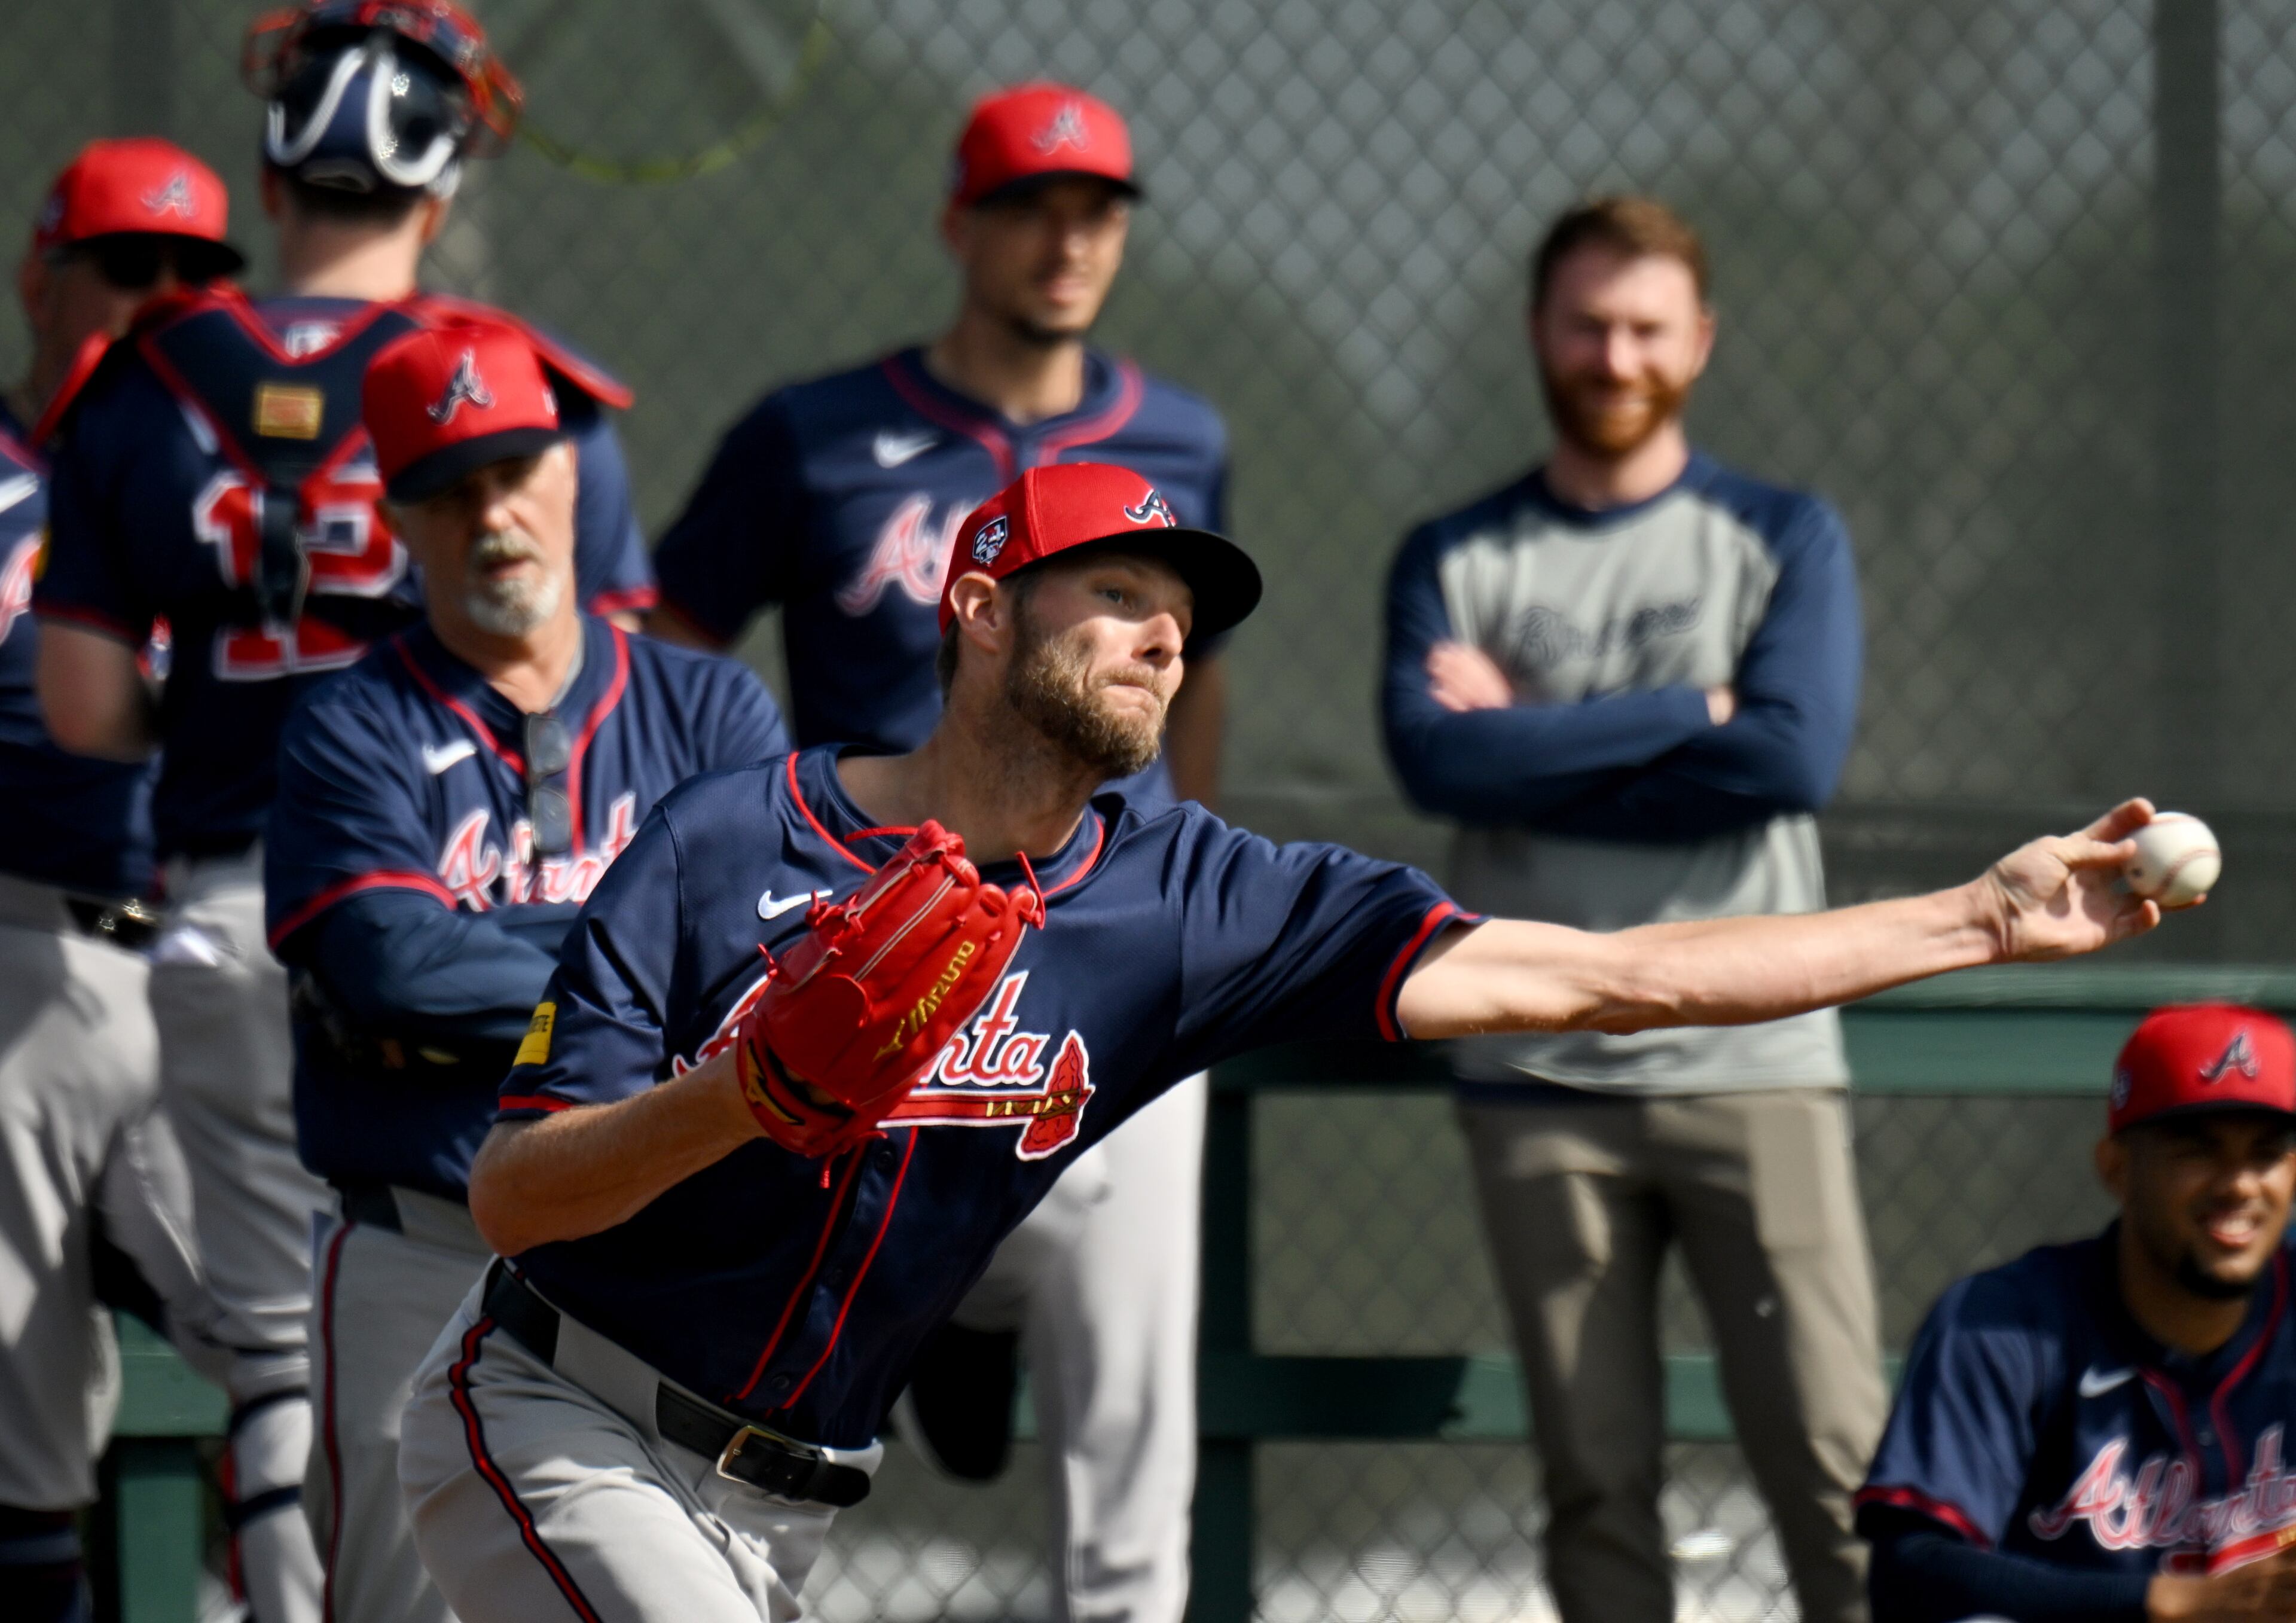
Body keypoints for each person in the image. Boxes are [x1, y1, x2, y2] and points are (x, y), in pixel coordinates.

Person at [396, 458, 2166, 1623]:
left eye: (1188, 610)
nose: (1166, 629)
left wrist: (1976, 919)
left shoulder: (1187, 897)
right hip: (564, 1416)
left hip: (791, 1507)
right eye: (1115, 589)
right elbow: (514, 1198)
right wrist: (749, 1096)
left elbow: (1600, 976)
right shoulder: (730, 838)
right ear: (981, 604)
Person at [31, 7, 651, 1616]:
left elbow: (90, 708)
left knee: (291, 1354)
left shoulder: (140, 379)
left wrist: (244, 719)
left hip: (234, 906)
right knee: (517, 1346)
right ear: (439, 191)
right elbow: (611, 686)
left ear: (272, 165)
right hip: (491, 900)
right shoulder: (523, 390)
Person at [648, 82, 1228, 1621]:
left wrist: (1173, 869)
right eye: (1031, 205)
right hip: (867, 941)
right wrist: (750, 832)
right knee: (770, 1384)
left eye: (1096, 209)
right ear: (956, 226)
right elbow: (674, 647)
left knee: (1130, 1425)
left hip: (1093, 943)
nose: (1065, 238)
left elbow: (1194, 688)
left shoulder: (1176, 440)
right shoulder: (814, 432)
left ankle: (980, 1331)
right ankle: (945, 1313)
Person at [1379, 194, 1874, 1623]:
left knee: (1834, 1466)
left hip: (1753, 1055)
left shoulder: (1781, 533)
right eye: (1586, 323)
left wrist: (1531, 746)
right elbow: (1431, 759)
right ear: (1540, 331)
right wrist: (1688, 713)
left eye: (1645, 326)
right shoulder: (1454, 555)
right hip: (1538, 1067)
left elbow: (1789, 759)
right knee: (1592, 1480)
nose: (1612, 355)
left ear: (1698, 341)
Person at [265, 321, 787, 1623]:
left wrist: (508, 961)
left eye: (515, 469)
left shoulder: (713, 712)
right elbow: (388, 967)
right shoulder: (351, 724)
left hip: (654, 1273)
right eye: (451, 488)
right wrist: (642, 969)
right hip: (418, 1240)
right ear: (400, 519)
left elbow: (755, 963)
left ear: (573, 476)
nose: (494, 514)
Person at [0, 138, 239, 1623]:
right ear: (43, 275)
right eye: (126, 265)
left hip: (218, 942)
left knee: (295, 1331)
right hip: (28, 942)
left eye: (193, 274)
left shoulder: (247, 478)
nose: (160, 295)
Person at [1859, 1003, 2296, 1622]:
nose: (2240, 1184)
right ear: (2116, 1167)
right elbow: (1912, 1569)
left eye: (2266, 1153)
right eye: (2198, 1150)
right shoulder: (2004, 1323)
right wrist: (2170, 1603)